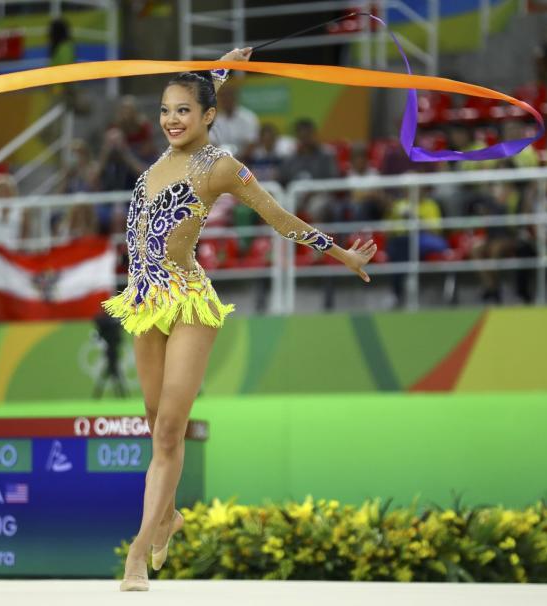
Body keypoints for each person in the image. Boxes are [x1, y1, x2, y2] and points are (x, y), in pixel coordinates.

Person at [101, 47, 376, 592]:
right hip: (145, 300)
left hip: (190, 304)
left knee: (172, 429)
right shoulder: (156, 165)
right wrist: (222, 70)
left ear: (209, 116)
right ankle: (168, 517)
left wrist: (339, 251)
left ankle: (137, 551)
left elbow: (277, 216)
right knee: (155, 424)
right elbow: (204, 91)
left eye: (184, 110)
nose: (172, 119)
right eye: (165, 110)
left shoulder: (220, 166)